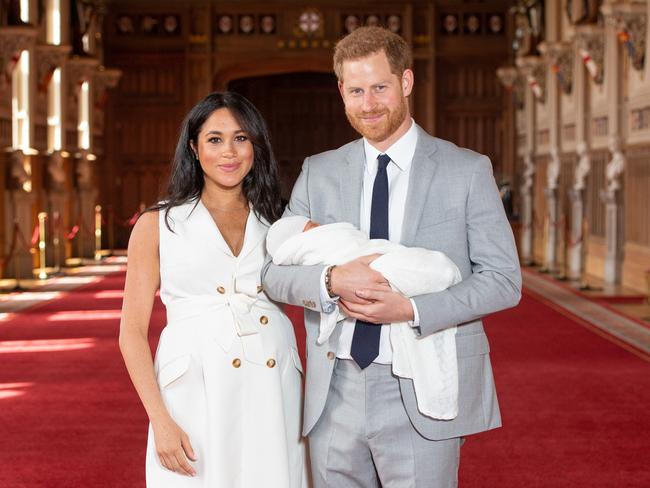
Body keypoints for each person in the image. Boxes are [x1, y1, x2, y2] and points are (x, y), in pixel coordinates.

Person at [262, 26, 521, 487]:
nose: (369, 103)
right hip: (334, 389)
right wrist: (329, 281)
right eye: (356, 90)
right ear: (341, 91)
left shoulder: (466, 170)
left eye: (380, 87)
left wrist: (413, 308)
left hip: (421, 383)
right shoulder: (319, 171)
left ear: (405, 82)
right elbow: (273, 272)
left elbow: (503, 279)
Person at [119, 92, 308, 487]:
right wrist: (160, 418)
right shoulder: (159, 224)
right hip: (193, 389)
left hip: (272, 384)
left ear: (256, 145)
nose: (229, 152)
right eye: (215, 139)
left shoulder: (283, 219)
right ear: (194, 147)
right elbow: (132, 333)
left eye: (241, 138)